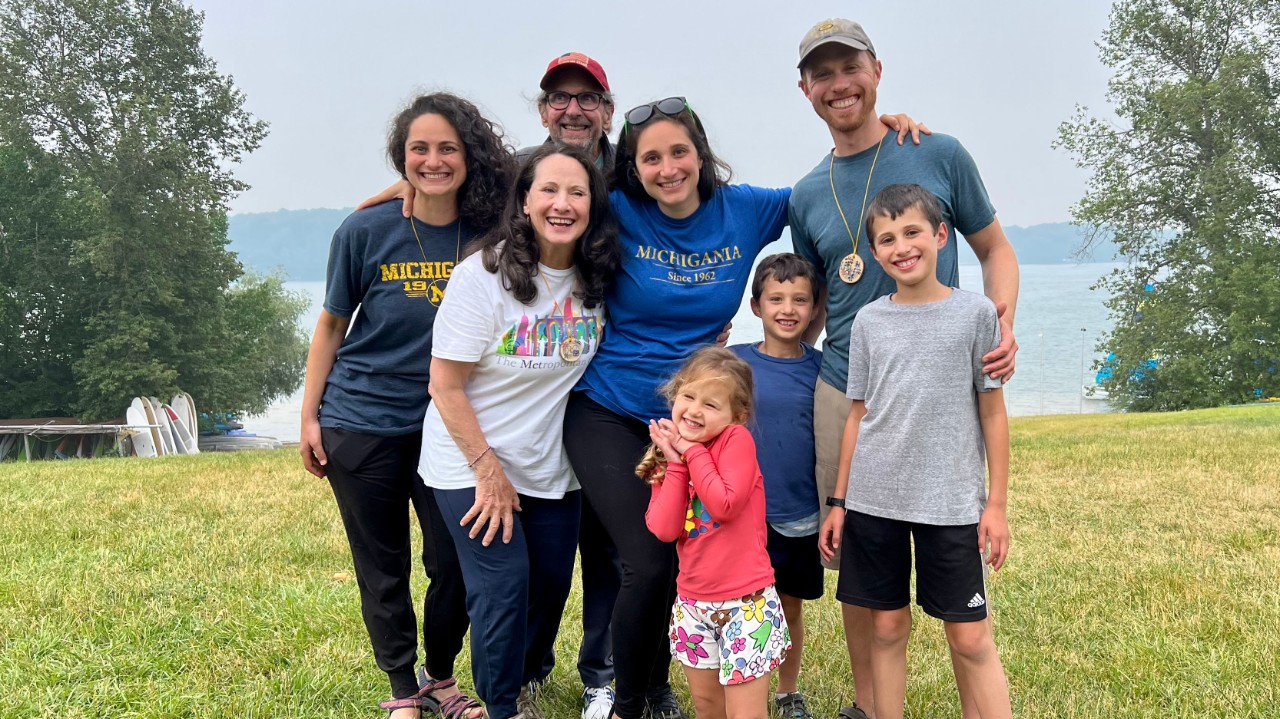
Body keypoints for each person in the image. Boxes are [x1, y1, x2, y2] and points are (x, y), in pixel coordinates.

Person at [787, 18, 1020, 719]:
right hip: (845, 387)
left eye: (849, 67)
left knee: (958, 602)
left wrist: (1003, 324)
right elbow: (817, 295)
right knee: (866, 574)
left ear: (877, 70)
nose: (838, 84)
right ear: (805, 90)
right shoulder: (806, 192)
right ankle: (869, 705)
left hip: (944, 383)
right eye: (821, 74)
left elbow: (996, 249)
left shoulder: (936, 151)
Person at [564, 96, 790, 719]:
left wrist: (888, 133)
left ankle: (660, 681)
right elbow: (538, 188)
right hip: (609, 408)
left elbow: (829, 193)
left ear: (701, 153)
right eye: (651, 158)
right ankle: (628, 697)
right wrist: (412, 181)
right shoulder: (619, 209)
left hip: (699, 420)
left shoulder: (746, 210)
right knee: (647, 553)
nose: (668, 168)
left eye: (679, 152)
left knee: (679, 552)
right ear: (633, 168)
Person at [300, 92, 513, 719]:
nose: (433, 160)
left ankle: (439, 675)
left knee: (452, 560)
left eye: (448, 147)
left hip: (446, 426)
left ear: (469, 155)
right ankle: (402, 690)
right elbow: (331, 326)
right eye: (419, 148)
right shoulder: (365, 230)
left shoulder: (493, 233)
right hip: (360, 419)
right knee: (381, 563)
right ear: (402, 156)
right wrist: (309, 417)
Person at [419, 143, 620, 719]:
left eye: (577, 192)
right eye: (549, 190)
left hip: (550, 466)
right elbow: (445, 385)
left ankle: (526, 675)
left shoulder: (598, 277)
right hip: (469, 458)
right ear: (525, 199)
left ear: (593, 205)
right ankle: (501, 705)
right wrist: (488, 472)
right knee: (503, 589)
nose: (562, 203)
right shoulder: (481, 277)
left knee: (551, 585)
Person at [819, 184, 1013, 719]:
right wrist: (840, 503)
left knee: (971, 638)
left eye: (912, 232)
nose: (901, 246)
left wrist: (995, 505)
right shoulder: (868, 322)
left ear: (940, 235)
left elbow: (992, 411)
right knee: (886, 627)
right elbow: (859, 412)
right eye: (886, 239)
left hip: (950, 503)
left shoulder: (976, 315)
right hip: (874, 500)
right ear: (875, 253)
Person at [641, 347, 789, 719]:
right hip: (692, 605)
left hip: (747, 604)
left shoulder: (735, 442)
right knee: (708, 707)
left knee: (745, 713)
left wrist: (691, 452)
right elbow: (663, 529)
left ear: (736, 416)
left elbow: (724, 503)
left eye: (710, 404)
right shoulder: (671, 454)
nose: (693, 410)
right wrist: (675, 464)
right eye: (688, 396)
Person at [728, 254, 823, 719]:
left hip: (800, 511)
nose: (788, 309)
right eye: (777, 298)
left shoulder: (822, 368)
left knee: (787, 606)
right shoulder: (733, 362)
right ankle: (741, 693)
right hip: (739, 516)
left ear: (814, 308)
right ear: (755, 305)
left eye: (800, 300)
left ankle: (787, 693)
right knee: (739, 607)